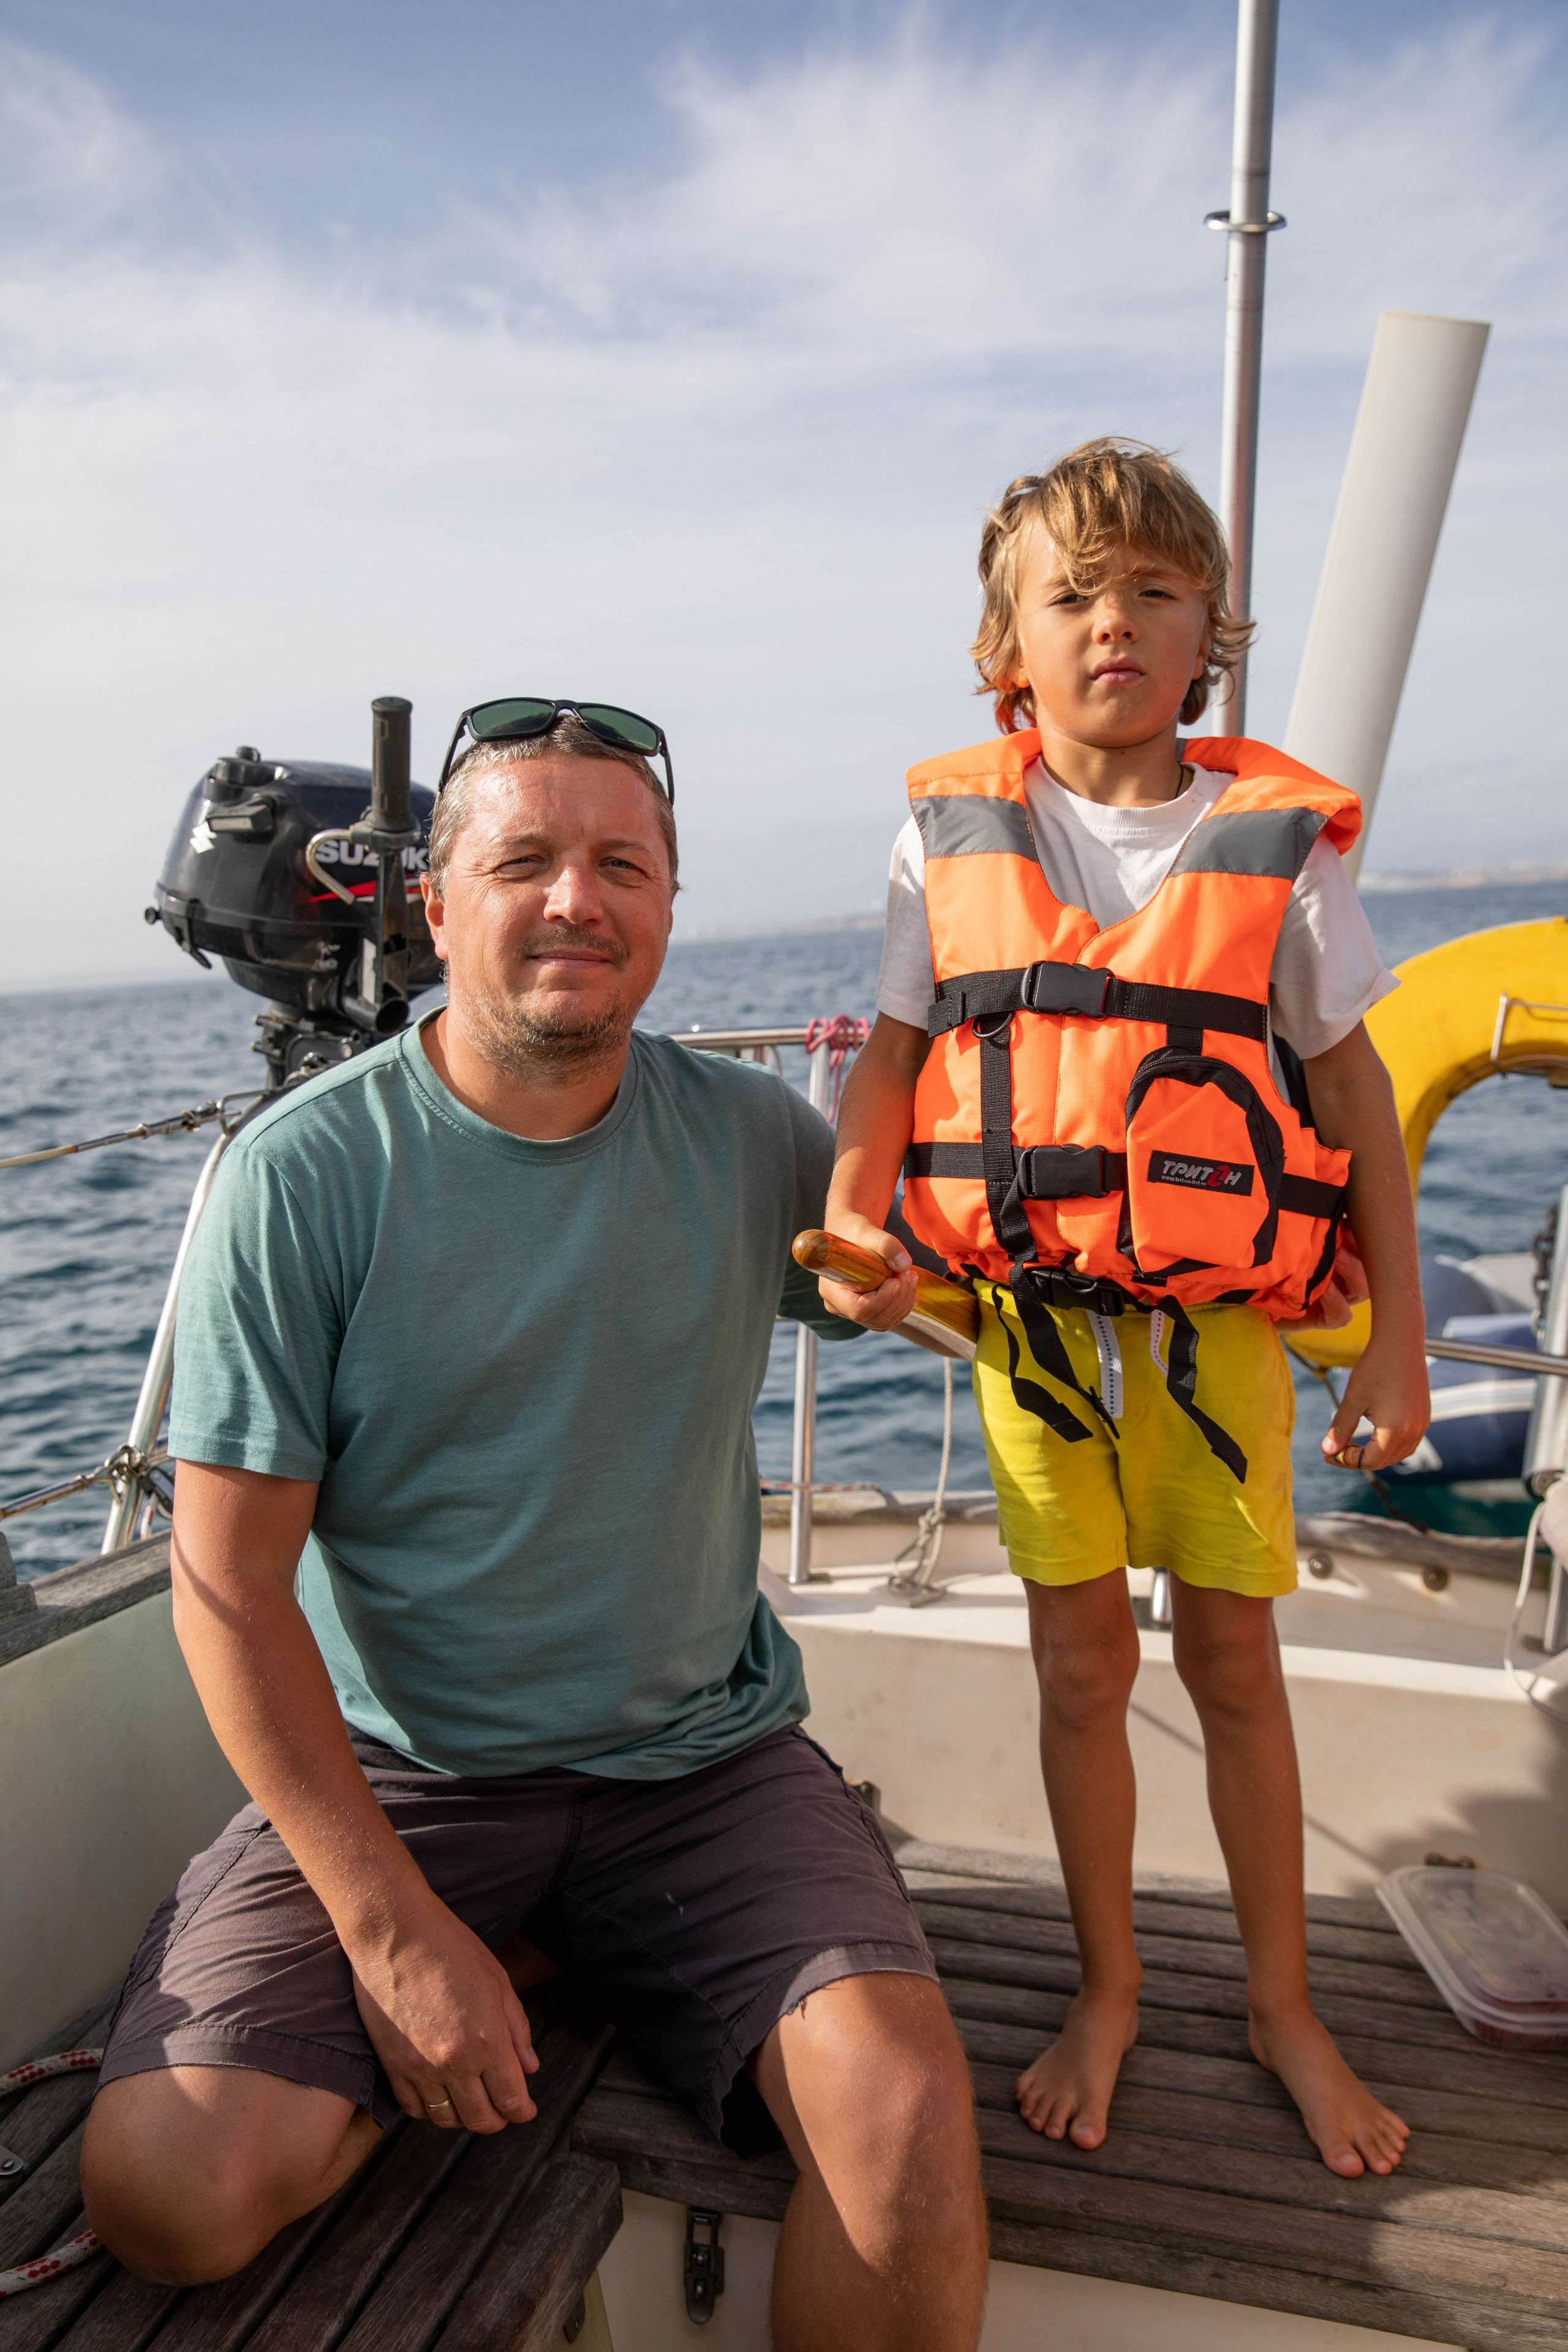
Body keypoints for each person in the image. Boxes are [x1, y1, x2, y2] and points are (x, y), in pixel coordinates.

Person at [81, 704, 988, 2352]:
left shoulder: (756, 1141)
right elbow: (224, 1591)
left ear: (666, 907)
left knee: (911, 2142)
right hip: (404, 1779)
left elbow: (925, 1283)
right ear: (436, 907)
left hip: (703, 1765)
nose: (578, 898)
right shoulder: (303, 1179)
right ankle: (474, 1963)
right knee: (168, 2192)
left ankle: (573, 1945)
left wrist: (951, 1251)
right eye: (525, 860)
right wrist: (389, 1935)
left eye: (621, 864)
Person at [818, 440, 1429, 2181]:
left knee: (1236, 1664)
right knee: (1081, 1670)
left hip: (1217, 1347)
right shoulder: (940, 838)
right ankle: (1110, 1987)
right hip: (1031, 1342)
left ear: (1207, 635)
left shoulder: (1278, 854)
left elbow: (1358, 1095)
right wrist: (860, 1221)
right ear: (1005, 648)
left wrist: (1391, 1332)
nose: (1115, 624)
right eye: (1073, 595)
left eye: (1155, 592)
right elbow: (894, 1061)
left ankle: (1284, 2005)